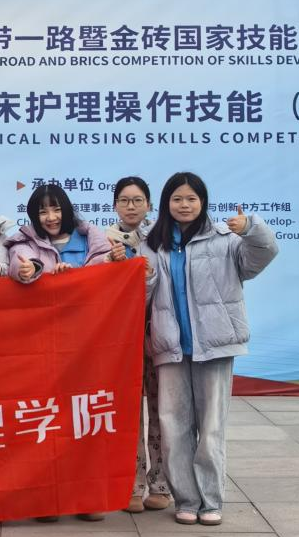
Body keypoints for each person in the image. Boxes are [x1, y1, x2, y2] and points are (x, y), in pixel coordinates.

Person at [142, 172, 278, 527]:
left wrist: (252, 228)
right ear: (166, 204)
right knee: (174, 428)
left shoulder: (225, 239)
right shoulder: (153, 244)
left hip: (215, 346)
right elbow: (141, 296)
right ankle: (186, 500)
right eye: (177, 199)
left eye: (191, 198)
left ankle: (210, 501)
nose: (184, 205)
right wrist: (144, 277)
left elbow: (263, 254)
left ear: (203, 202)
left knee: (211, 428)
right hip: (170, 347)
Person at [4, 183, 112, 522]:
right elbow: (21, 266)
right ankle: (47, 497)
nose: (50, 217)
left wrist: (77, 277)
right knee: (46, 422)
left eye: (55, 209)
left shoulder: (93, 239)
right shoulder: (23, 242)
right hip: (43, 347)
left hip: (88, 344)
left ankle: (88, 497)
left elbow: (107, 274)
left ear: (66, 209)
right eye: (42, 211)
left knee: (85, 420)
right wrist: (32, 271)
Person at [105, 176, 172, 514]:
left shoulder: (163, 240)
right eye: (124, 200)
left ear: (149, 204)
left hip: (158, 336)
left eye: (137, 200)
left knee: (162, 412)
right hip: (119, 341)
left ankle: (160, 484)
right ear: (115, 205)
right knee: (128, 415)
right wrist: (111, 264)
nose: (131, 207)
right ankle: (131, 486)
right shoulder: (103, 240)